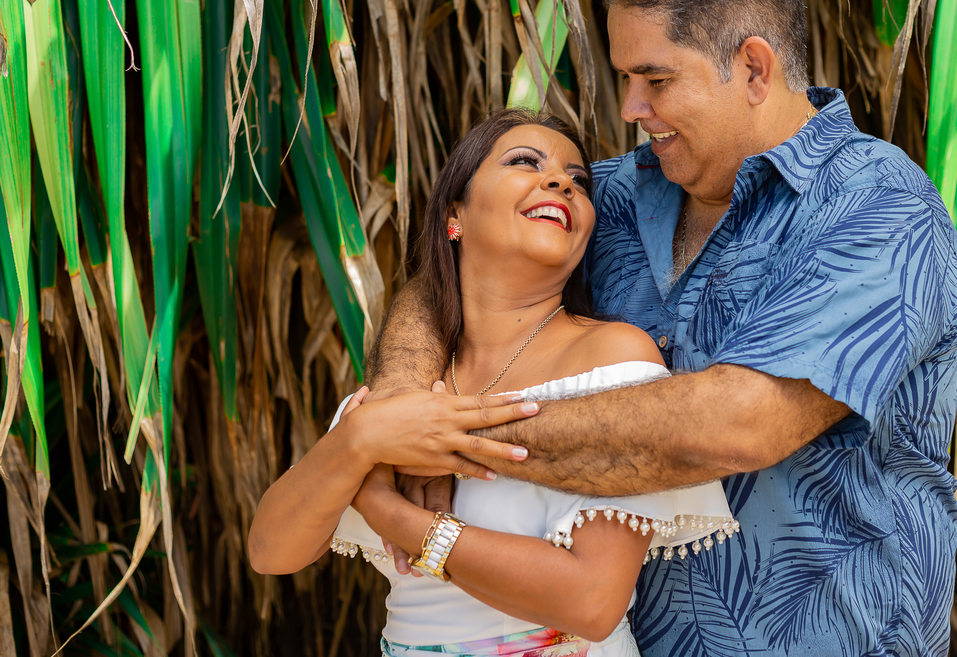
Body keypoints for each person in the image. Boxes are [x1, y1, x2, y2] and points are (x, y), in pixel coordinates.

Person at [365, 0, 957, 656]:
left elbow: (737, 425)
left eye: (655, 80)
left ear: (754, 69)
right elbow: (450, 276)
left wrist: (447, 438)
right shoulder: (608, 197)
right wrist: (401, 399)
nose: (630, 109)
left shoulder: (879, 207)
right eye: (627, 79)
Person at [248, 109, 737, 657]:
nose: (561, 182)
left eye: (578, 181)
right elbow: (270, 552)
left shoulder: (611, 357)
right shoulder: (406, 383)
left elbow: (592, 603)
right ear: (455, 213)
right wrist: (358, 440)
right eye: (525, 162)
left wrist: (392, 515)